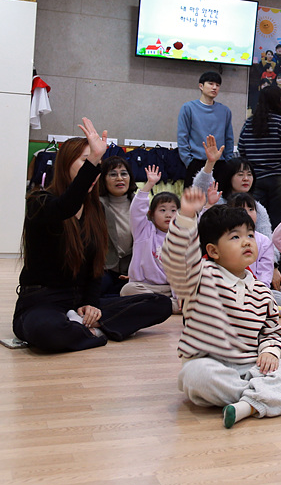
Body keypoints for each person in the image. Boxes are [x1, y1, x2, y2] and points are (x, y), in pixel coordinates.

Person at [13, 119, 172, 353]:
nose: (95, 169)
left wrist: (90, 304)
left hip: (79, 303)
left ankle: (85, 325)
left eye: (96, 163)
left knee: (160, 304)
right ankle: (95, 332)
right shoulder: (40, 201)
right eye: (87, 161)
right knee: (46, 330)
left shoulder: (95, 210)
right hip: (43, 302)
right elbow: (65, 207)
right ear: (66, 164)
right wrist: (95, 158)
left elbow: (95, 269)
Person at [161, 187, 281, 429]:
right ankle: (265, 397)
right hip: (212, 365)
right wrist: (185, 217)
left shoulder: (262, 291)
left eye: (250, 234)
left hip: (252, 368)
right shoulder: (200, 277)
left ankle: (248, 404)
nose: (247, 241)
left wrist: (270, 351)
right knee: (194, 375)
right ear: (213, 251)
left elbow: (273, 332)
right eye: (235, 237)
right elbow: (176, 258)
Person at [237, 84, 281, 231]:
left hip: (255, 177)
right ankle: (276, 246)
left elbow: (241, 149)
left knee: (256, 218)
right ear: (278, 101)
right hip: (280, 178)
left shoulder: (249, 123)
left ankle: (257, 244)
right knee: (279, 220)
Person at [119, 165, 179, 311]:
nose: (168, 215)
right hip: (145, 287)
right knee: (127, 290)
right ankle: (164, 305)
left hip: (170, 289)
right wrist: (149, 185)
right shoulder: (144, 231)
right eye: (162, 210)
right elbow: (136, 211)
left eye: (173, 210)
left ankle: (162, 305)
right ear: (151, 214)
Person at [177, 71, 234, 181]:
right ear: (201, 86)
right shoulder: (188, 108)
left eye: (217, 85)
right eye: (211, 84)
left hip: (220, 163)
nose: (214, 88)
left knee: (219, 192)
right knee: (195, 192)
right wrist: (188, 161)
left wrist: (228, 161)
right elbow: (182, 137)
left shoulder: (225, 111)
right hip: (196, 162)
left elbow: (229, 138)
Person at [96, 155, 135, 295]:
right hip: (104, 268)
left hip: (131, 269)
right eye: (113, 174)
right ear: (103, 179)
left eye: (124, 174)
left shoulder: (140, 204)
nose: (119, 178)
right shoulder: (96, 205)